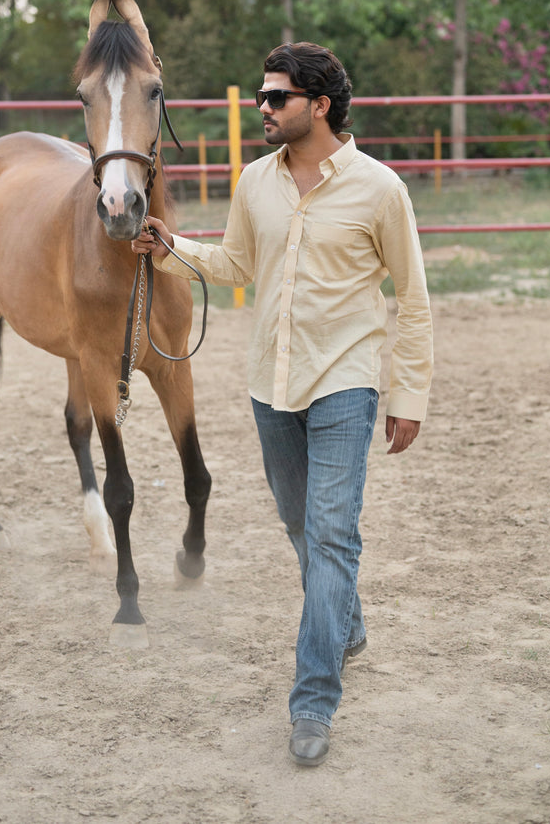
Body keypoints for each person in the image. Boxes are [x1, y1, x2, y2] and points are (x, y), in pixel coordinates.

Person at [131, 41, 433, 767]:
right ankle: (347, 622)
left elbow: (413, 301)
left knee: (332, 538)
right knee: (302, 528)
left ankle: (313, 701)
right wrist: (172, 247)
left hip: (346, 384)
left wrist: (408, 395)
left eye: (276, 98)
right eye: (263, 97)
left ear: (318, 106)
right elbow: (238, 265)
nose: (262, 108)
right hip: (271, 385)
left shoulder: (380, 190)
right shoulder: (255, 183)